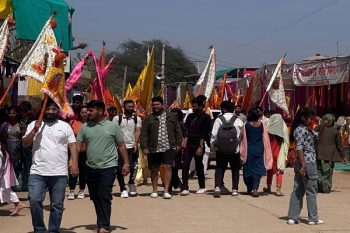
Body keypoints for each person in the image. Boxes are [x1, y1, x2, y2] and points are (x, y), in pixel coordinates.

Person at [22, 98, 79, 233]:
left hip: (59, 172)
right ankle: (39, 229)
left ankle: (53, 230)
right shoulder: (33, 125)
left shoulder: (64, 126)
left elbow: (72, 145)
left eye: (54, 109)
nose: (51, 112)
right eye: (48, 109)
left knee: (57, 205)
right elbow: (25, 144)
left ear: (58, 110)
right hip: (37, 172)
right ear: (43, 110)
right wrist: (34, 131)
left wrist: (74, 163)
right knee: (35, 200)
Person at [77, 100, 130, 233]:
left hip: (109, 167)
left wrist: (126, 163)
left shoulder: (113, 126)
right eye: (87, 110)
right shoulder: (84, 127)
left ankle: (104, 226)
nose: (87, 113)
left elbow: (121, 145)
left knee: (104, 195)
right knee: (95, 197)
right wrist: (72, 162)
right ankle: (101, 221)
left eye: (91, 110)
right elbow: (77, 146)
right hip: (91, 167)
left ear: (100, 111)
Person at [140, 96, 182, 199]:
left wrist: (178, 144)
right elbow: (144, 134)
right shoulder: (148, 118)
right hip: (153, 148)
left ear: (162, 105)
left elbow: (178, 131)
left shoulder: (171, 116)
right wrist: (144, 147)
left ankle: (166, 190)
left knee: (168, 167)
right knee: (154, 169)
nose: (155, 106)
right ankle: (154, 190)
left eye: (157, 104)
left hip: (168, 147)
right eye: (153, 105)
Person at [287, 108, 323, 225]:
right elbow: (299, 148)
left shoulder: (303, 129)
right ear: (303, 118)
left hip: (301, 163)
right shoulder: (302, 130)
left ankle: (293, 216)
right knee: (311, 191)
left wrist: (320, 123)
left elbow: (318, 135)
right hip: (307, 162)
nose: (311, 120)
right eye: (310, 118)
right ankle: (313, 217)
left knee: (298, 189)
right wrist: (304, 164)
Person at [211, 101, 243, 198]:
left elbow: (214, 134)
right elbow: (241, 135)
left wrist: (213, 146)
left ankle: (217, 187)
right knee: (235, 169)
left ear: (224, 109)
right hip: (234, 149)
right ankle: (234, 189)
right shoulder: (238, 120)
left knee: (220, 168)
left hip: (221, 149)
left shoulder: (219, 120)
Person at [181, 96, 211, 195]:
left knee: (199, 165)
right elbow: (186, 129)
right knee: (185, 164)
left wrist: (201, 146)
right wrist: (184, 142)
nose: (193, 108)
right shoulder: (190, 116)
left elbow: (204, 133)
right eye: (192, 106)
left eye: (195, 106)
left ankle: (202, 186)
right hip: (189, 143)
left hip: (198, 143)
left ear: (201, 106)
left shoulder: (206, 117)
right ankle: (185, 187)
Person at [240, 108, 272, 197]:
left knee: (248, 169)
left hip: (249, 151)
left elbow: (242, 137)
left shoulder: (246, 125)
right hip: (259, 150)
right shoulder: (262, 125)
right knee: (257, 171)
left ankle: (250, 188)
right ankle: (254, 189)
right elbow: (265, 137)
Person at [112, 100, 141, 198]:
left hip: (132, 147)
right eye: (129, 106)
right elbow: (114, 132)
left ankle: (131, 183)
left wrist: (136, 143)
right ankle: (122, 188)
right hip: (120, 147)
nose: (131, 108)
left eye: (132, 106)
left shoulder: (137, 119)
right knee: (120, 168)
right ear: (124, 107)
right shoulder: (117, 118)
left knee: (133, 166)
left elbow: (137, 131)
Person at [316, 114, 347, 193]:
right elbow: (339, 146)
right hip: (331, 155)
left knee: (319, 169)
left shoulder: (318, 128)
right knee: (329, 171)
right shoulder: (335, 131)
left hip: (318, 154)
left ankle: (319, 183)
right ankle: (326, 183)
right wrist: (343, 156)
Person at [0, 133, 26, 216]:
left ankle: (18, 204)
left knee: (4, 189)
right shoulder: (2, 148)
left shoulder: (1, 150)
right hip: (3, 174)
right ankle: (18, 204)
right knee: (4, 189)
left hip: (2, 173)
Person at [264, 114, 289, 196]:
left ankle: (269, 188)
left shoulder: (268, 127)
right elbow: (286, 141)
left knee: (270, 171)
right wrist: (286, 155)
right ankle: (278, 189)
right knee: (279, 171)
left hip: (270, 152)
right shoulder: (283, 127)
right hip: (280, 152)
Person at [67, 106, 89, 200]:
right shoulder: (73, 123)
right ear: (79, 113)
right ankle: (71, 190)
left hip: (86, 152)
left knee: (83, 172)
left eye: (86, 112)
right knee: (72, 171)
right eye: (82, 112)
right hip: (74, 151)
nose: (84, 114)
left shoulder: (92, 124)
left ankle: (81, 190)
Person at [0, 107, 23, 182]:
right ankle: (7, 182)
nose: (11, 115)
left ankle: (15, 181)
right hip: (7, 146)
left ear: (17, 114)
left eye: (13, 113)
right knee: (7, 164)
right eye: (10, 113)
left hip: (18, 147)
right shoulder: (4, 125)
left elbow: (23, 136)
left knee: (17, 164)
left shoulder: (21, 124)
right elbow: (2, 137)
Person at [169, 108, 187, 193]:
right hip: (168, 148)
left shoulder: (181, 124)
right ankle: (175, 185)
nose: (174, 117)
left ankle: (180, 185)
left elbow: (185, 135)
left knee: (175, 168)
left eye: (176, 115)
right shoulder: (168, 123)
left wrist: (182, 145)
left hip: (178, 149)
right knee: (169, 168)